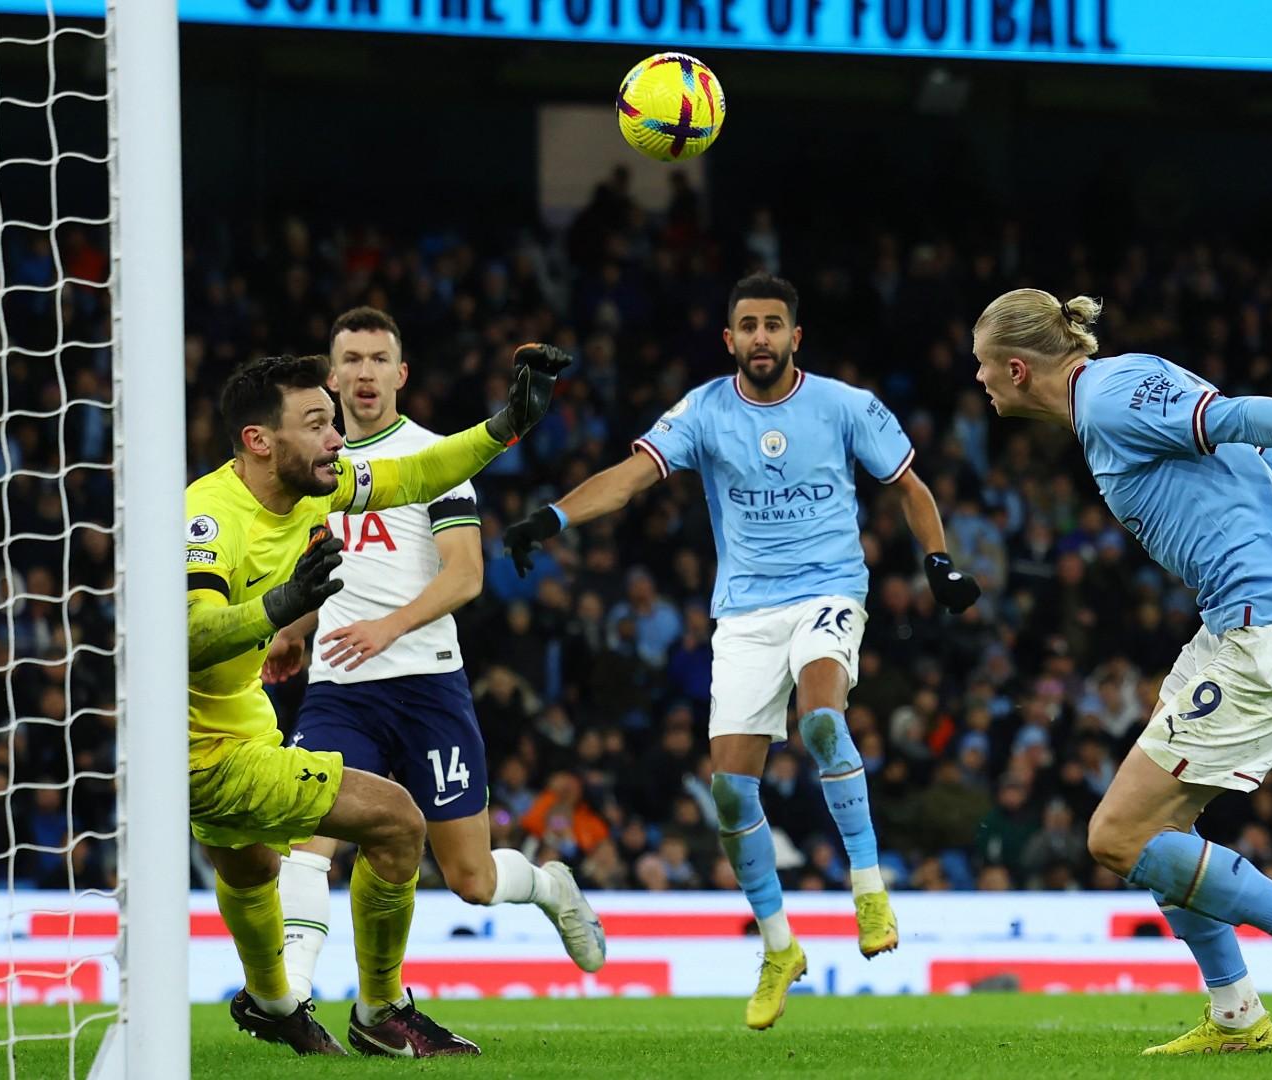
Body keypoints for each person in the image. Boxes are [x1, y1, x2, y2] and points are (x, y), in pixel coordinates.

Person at [504, 272, 981, 1030]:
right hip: (743, 614)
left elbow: (909, 487)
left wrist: (936, 561)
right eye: (748, 326)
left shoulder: (844, 405)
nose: (761, 336)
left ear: (797, 336)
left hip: (827, 591)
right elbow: (631, 478)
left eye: (773, 324)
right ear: (729, 339)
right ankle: (778, 947)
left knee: (821, 721)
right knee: (730, 790)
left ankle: (868, 889)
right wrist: (553, 518)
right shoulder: (702, 410)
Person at [969, 288, 1272, 1055]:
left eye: (982, 367)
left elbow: (1236, 419)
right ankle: (1235, 1015)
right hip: (1266, 622)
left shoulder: (1107, 400)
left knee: (1114, 837)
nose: (979, 381)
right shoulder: (1128, 380)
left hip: (1268, 633)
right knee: (1162, 831)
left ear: (1018, 368)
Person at [185, 345, 565, 1056]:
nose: (336, 439)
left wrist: (504, 426)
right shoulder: (209, 517)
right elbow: (191, 637)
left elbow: (417, 473)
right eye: (316, 424)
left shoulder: (312, 490)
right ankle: (382, 1011)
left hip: (240, 723)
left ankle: (273, 1001)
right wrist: (280, 608)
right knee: (395, 820)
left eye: (333, 422)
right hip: (201, 748)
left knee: (250, 868)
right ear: (259, 441)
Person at [259, 308, 604, 1012]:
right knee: (307, 836)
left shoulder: (437, 458)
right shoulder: (312, 469)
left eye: (377, 359)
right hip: (341, 686)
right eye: (350, 358)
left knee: (470, 879)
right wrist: (294, 629)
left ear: (400, 373)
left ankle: (548, 886)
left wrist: (389, 627)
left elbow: (465, 575)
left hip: (426, 686)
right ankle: (290, 990)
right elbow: (331, 576)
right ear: (331, 375)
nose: (363, 372)